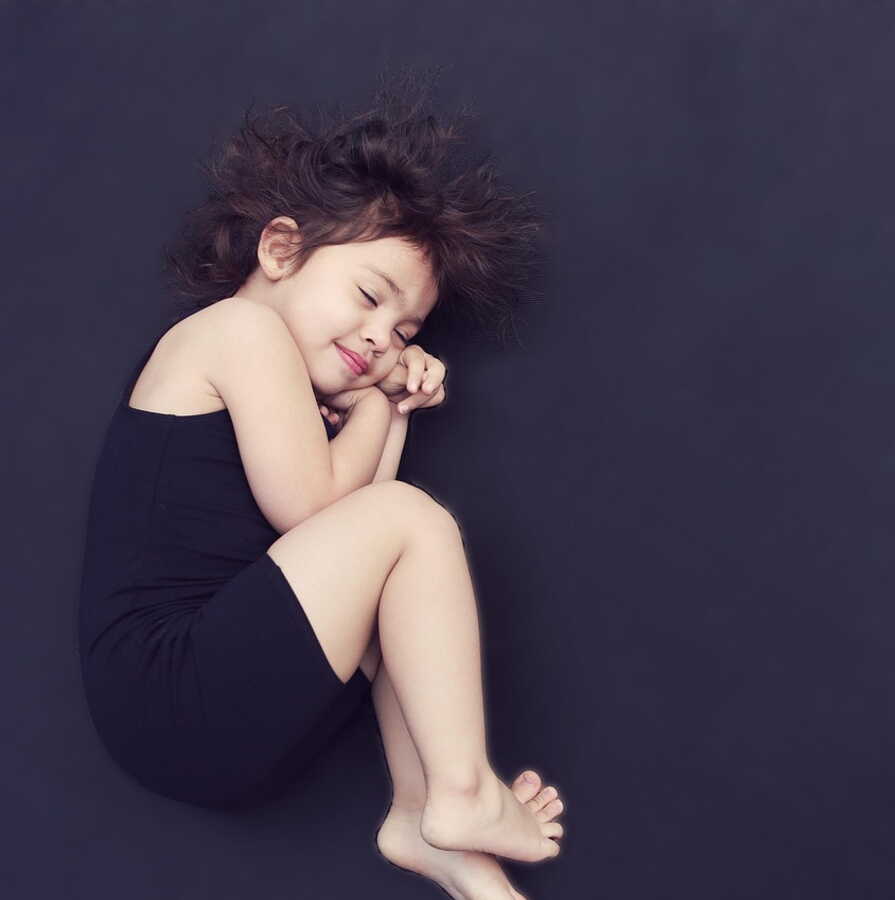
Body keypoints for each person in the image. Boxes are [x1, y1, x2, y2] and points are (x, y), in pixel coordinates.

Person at [77, 69, 563, 900]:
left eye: (404, 332)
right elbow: (325, 508)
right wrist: (376, 401)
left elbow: (357, 536)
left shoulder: (294, 395)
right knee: (411, 521)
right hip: (170, 688)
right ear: (280, 250)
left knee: (407, 578)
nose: (379, 339)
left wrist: (391, 409)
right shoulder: (238, 332)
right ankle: (462, 790)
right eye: (370, 297)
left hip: (227, 721)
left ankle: (423, 817)